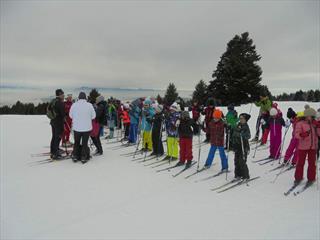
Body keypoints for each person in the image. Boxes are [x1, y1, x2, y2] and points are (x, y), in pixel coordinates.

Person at [294, 107, 320, 185]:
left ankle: (311, 178)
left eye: (312, 116)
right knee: (300, 163)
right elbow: (296, 134)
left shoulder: (314, 124)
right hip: (303, 147)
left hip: (313, 147)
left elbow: (319, 134)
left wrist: (318, 126)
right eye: (310, 116)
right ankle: (298, 177)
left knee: (312, 163)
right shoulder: (300, 123)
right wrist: (302, 135)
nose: (311, 118)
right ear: (306, 116)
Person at [69, 92, 96, 163]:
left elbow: (70, 116)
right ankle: (84, 157)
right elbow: (94, 116)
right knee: (84, 143)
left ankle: (75, 156)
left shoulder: (74, 105)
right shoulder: (89, 105)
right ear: (85, 98)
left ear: (79, 97)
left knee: (76, 142)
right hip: (87, 128)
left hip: (77, 128)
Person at [232, 113, 251, 180]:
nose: (241, 120)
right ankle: (238, 174)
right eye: (240, 118)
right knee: (236, 161)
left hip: (244, 147)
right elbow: (234, 132)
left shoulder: (246, 127)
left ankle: (245, 175)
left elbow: (248, 136)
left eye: (242, 119)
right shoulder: (238, 125)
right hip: (237, 146)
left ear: (245, 120)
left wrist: (242, 134)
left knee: (242, 161)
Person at [48, 89, 66, 159]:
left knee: (54, 137)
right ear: (60, 94)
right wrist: (65, 116)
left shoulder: (53, 101)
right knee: (58, 138)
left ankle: (53, 150)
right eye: (63, 94)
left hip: (53, 122)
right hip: (58, 122)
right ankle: (55, 154)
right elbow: (62, 114)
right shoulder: (60, 103)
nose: (63, 96)